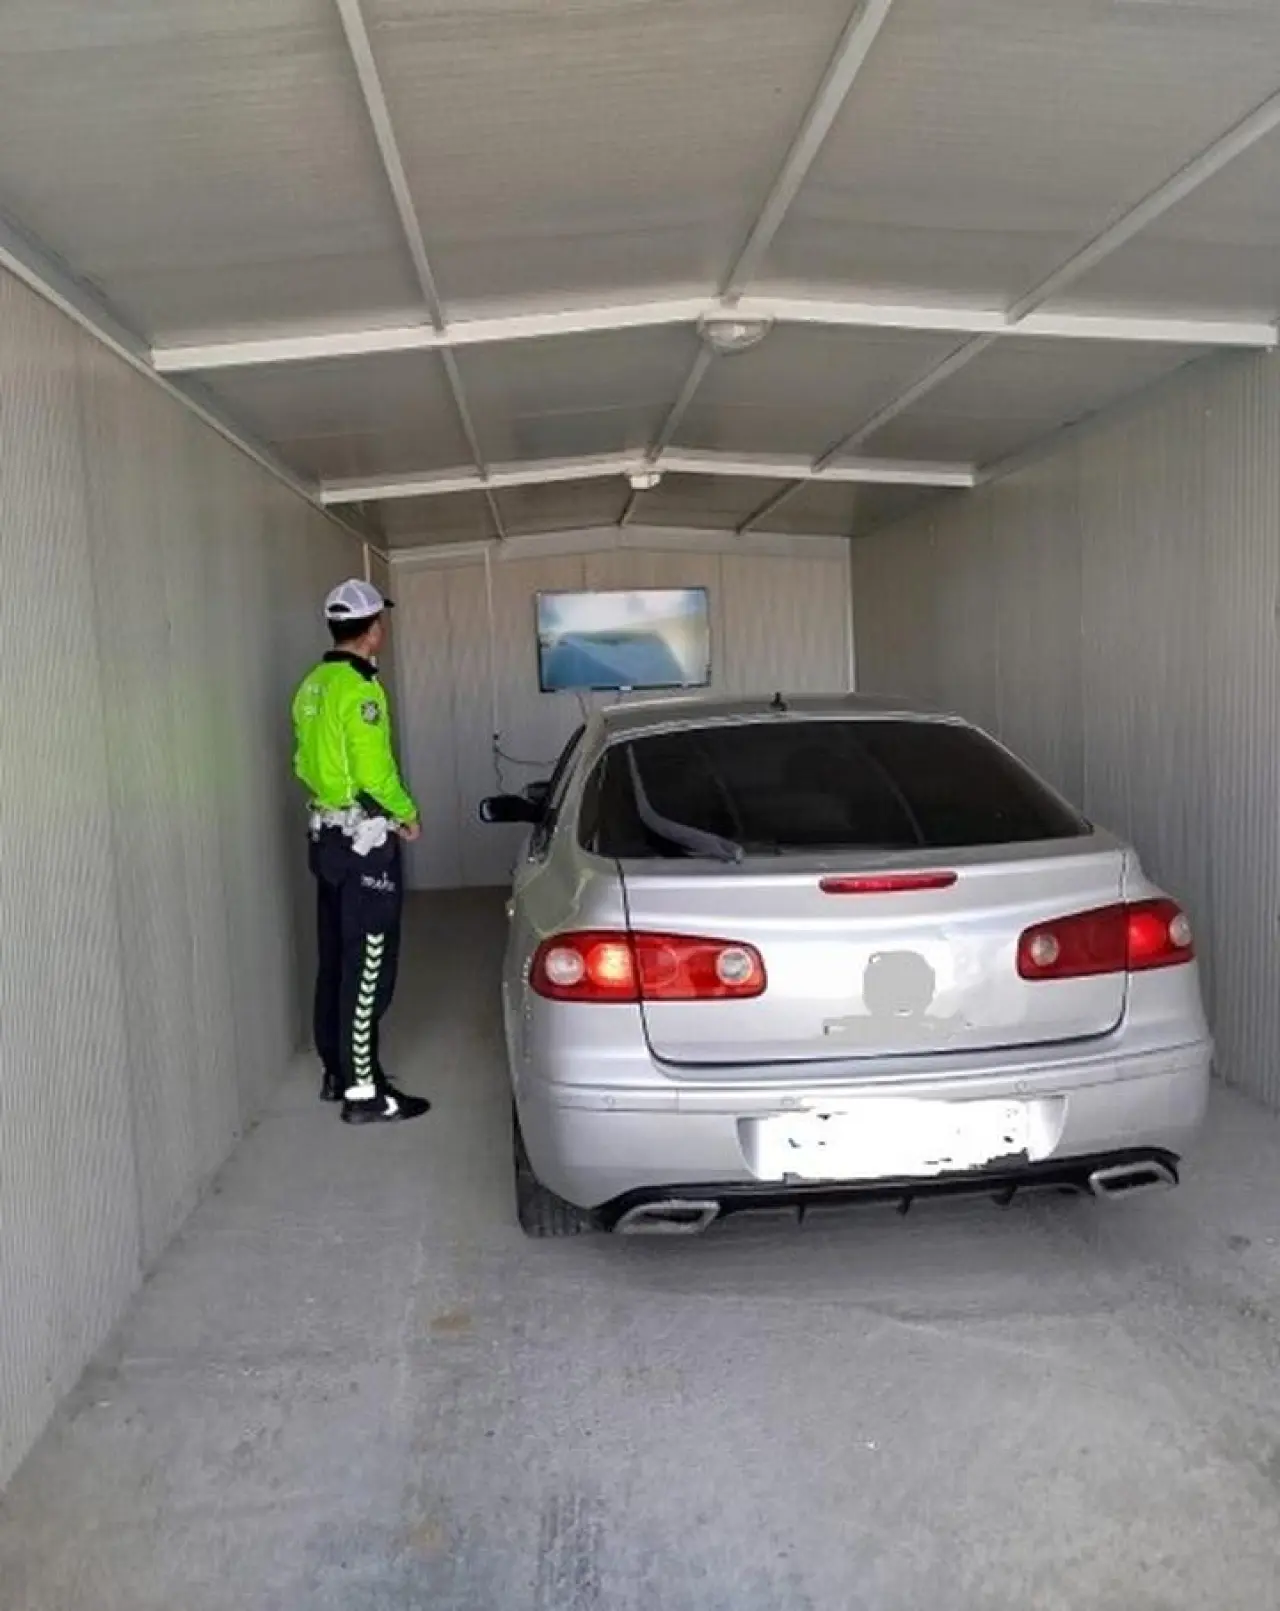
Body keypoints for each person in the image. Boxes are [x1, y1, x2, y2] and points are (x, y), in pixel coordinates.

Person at [291, 579, 429, 1125]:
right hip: (363, 840)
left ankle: (338, 1072)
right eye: (380, 624)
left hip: (326, 840)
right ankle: (365, 1093)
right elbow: (374, 770)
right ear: (373, 629)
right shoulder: (361, 688)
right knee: (369, 965)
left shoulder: (312, 685)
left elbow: (303, 763)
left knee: (335, 959)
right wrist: (406, 813)